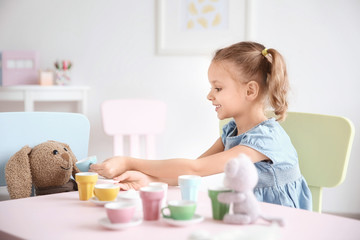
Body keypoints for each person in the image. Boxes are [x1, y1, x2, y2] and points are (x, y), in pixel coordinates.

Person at [90, 41, 312, 210]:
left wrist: (130, 161)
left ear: (250, 91)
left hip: (279, 219)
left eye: (218, 88)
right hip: (248, 213)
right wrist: (148, 179)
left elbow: (193, 169)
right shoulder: (232, 132)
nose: (209, 95)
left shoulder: (264, 141)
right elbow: (193, 171)